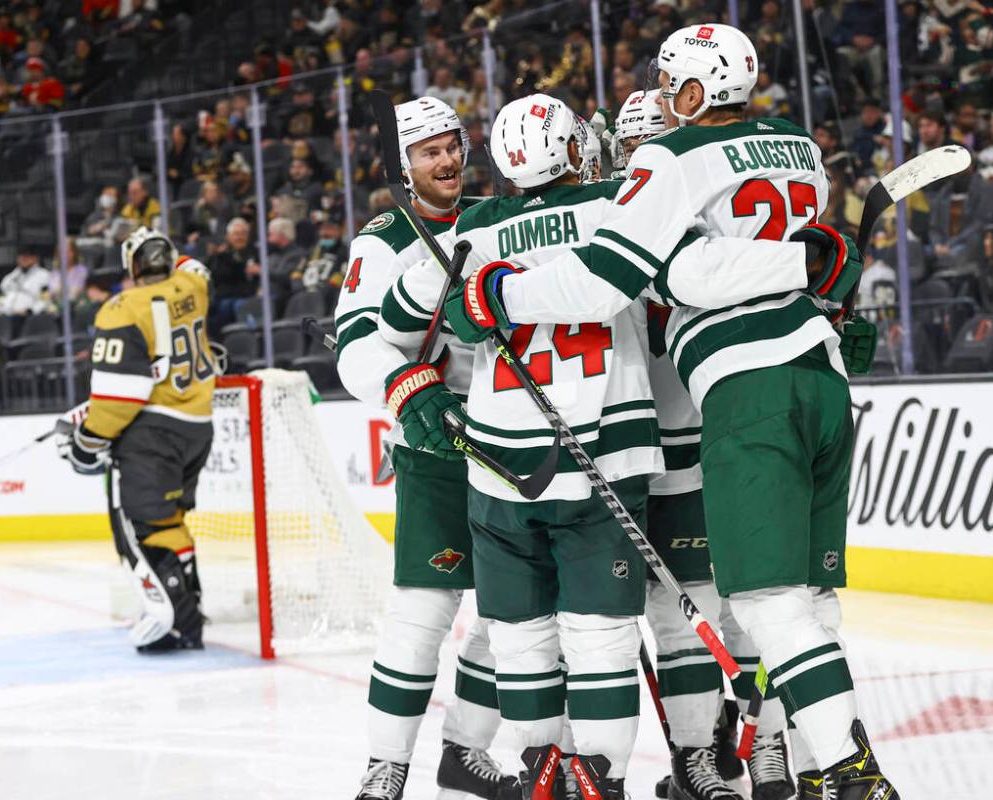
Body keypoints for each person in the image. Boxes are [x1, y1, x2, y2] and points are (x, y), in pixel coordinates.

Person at [457, 24, 886, 800]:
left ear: (693, 94)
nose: (657, 95)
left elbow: (619, 283)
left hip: (734, 395)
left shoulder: (663, 165)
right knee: (802, 601)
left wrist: (501, 293)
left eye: (666, 83)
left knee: (761, 602)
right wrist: (821, 272)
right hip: (817, 374)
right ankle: (814, 770)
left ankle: (845, 776)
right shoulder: (798, 145)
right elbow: (794, 254)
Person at [610, 89, 797, 800]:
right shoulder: (676, 214)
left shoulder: (629, 219)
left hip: (711, 427)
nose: (638, 160)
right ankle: (718, 755)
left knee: (744, 600)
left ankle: (757, 747)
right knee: (706, 605)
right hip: (679, 440)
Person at [335, 96, 519, 800]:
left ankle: (466, 751)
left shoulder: (499, 219)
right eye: (428, 151)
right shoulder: (383, 240)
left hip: (511, 442)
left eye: (452, 146)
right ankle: (385, 768)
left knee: (514, 613)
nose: (446, 160)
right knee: (423, 613)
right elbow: (355, 345)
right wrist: (408, 391)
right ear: (403, 167)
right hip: (435, 449)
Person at [58, 227, 216, 653]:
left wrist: (85, 442)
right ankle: (191, 609)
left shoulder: (122, 308)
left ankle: (173, 622)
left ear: (131, 266)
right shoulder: (193, 285)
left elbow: (119, 398)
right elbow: (194, 267)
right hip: (197, 426)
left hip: (153, 436)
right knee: (170, 521)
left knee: (143, 528)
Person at [0, 246, 53, 316]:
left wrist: (30, 311)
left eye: (27, 255)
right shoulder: (9, 278)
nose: (23, 258)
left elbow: (45, 299)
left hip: (31, 316)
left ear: (35, 258)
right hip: (6, 316)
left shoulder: (44, 275)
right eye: (21, 255)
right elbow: (0, 297)